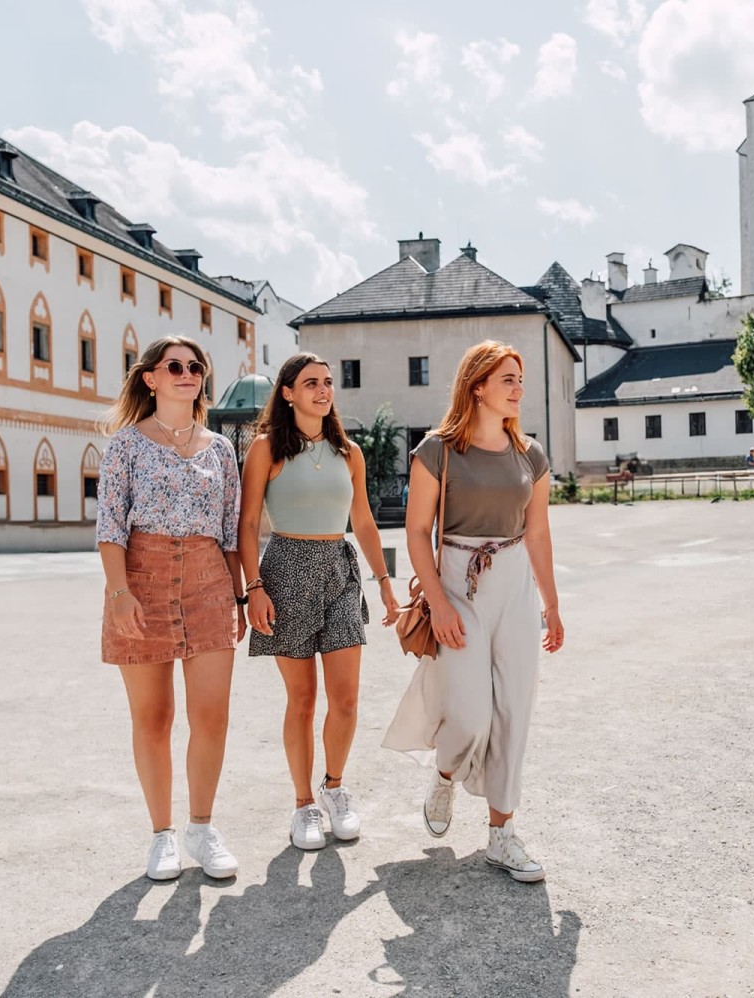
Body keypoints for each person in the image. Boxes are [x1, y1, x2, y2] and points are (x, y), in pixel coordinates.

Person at [383, 340, 565, 883]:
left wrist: (552, 604)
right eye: (507, 379)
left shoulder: (530, 455)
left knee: (514, 711)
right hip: (458, 582)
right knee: (468, 714)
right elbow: (416, 531)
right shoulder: (437, 450)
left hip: (514, 586)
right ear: (477, 386)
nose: (518, 389)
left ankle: (502, 835)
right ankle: (444, 773)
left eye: (519, 379)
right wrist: (438, 602)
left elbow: (538, 533)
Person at [96, 336, 246, 882]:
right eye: (175, 366)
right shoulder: (126, 446)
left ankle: (201, 829)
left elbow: (231, 532)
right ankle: (161, 835)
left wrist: (239, 595)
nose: (188, 373)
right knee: (153, 717)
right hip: (142, 577)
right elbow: (110, 527)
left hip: (208, 580)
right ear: (151, 378)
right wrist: (118, 593)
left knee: (212, 715)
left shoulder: (222, 450)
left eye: (196, 366)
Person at [239, 353, 400, 851]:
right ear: (287, 392)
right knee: (303, 700)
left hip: (339, 569)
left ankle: (334, 787)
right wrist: (253, 588)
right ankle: (302, 803)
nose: (323, 390)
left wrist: (386, 582)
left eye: (328, 383)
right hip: (285, 570)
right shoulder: (266, 448)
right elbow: (246, 526)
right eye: (311, 383)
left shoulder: (349, 452)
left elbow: (366, 523)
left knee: (347, 699)